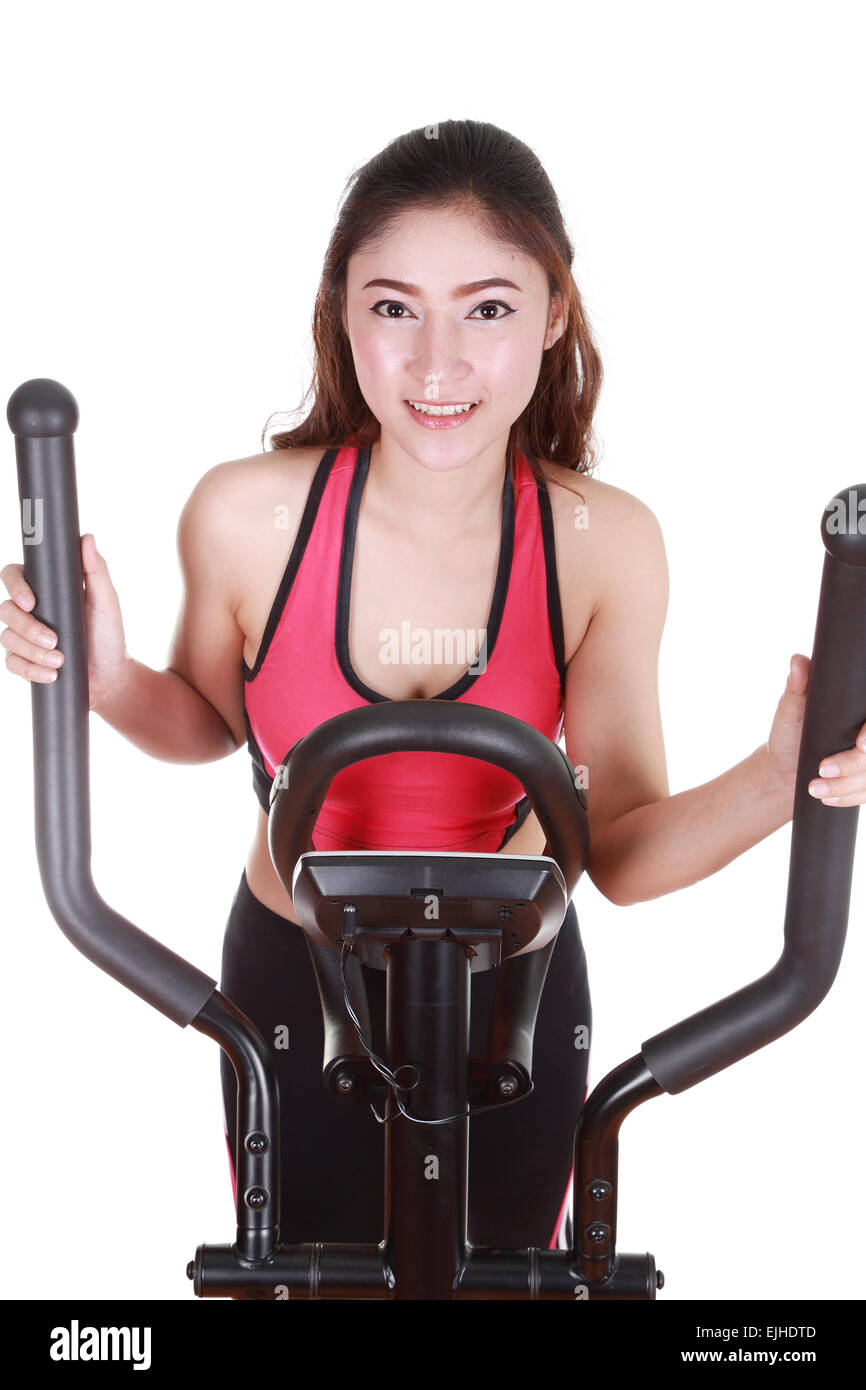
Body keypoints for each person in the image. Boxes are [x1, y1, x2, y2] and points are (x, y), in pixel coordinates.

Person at [2, 119, 856, 1256]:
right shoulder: (244, 515)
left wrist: (778, 773)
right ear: (343, 314)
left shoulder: (600, 543)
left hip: (513, 976)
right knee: (303, 1284)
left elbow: (622, 853)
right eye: (393, 306)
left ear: (553, 313)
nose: (436, 362)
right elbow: (207, 723)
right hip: (295, 963)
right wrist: (103, 678)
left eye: (487, 308)